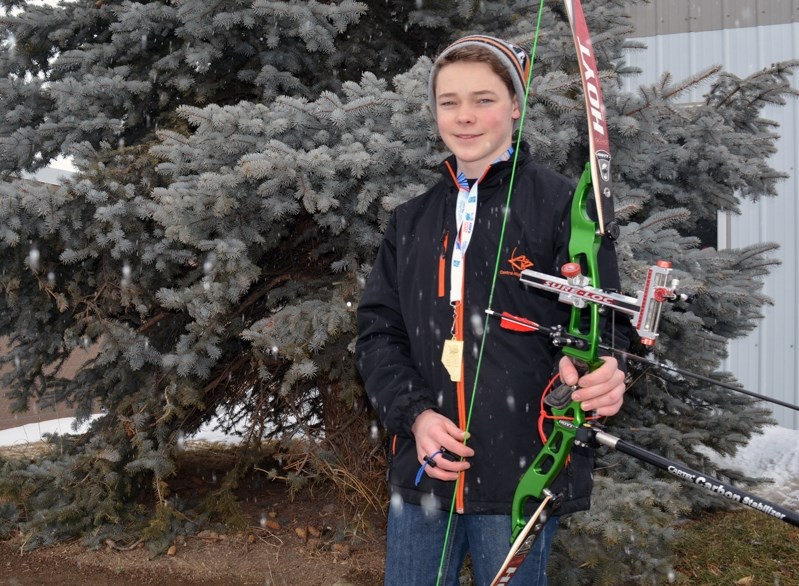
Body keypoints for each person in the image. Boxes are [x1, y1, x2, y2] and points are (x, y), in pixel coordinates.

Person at [355, 35, 628, 585]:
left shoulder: (561, 207)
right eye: (449, 101)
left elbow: (606, 326)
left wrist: (605, 374)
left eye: (484, 99)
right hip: (424, 468)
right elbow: (378, 333)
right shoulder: (411, 220)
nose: (465, 117)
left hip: (522, 472)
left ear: (516, 105)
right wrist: (416, 417)